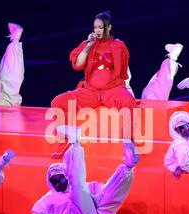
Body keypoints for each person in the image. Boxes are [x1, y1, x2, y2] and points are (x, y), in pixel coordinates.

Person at [50, 11, 136, 159]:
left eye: (100, 27)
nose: (97, 31)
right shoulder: (88, 44)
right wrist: (88, 46)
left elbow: (123, 71)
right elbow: (77, 65)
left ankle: (128, 143)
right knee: (58, 102)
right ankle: (64, 140)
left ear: (108, 28)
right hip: (90, 92)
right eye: (95, 27)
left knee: (128, 101)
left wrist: (117, 86)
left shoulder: (118, 45)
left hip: (112, 90)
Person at [32, 125, 140, 214]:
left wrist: (94, 199)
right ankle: (75, 143)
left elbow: (101, 190)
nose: (58, 183)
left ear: (66, 177)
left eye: (61, 178)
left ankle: (128, 167)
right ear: (50, 184)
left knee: (109, 195)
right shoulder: (50, 198)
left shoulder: (87, 187)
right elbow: (39, 212)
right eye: (54, 181)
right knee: (77, 189)